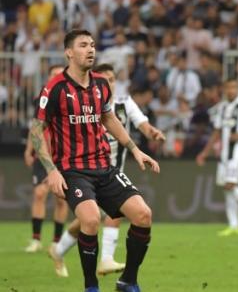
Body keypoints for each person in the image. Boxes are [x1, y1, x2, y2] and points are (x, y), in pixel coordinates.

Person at [30, 29, 160, 292]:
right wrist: (52, 170)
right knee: (90, 220)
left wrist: (134, 149)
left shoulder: (101, 84)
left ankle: (128, 281)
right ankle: (91, 287)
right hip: (72, 169)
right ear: (69, 52)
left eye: (92, 45)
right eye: (83, 45)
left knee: (143, 215)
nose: (90, 49)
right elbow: (36, 130)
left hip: (104, 166)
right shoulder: (54, 88)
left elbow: (109, 118)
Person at [49, 63, 166, 278]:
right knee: (92, 218)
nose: (109, 83)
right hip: (82, 172)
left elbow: (141, 122)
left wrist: (152, 133)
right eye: (106, 79)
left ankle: (62, 250)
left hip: (111, 172)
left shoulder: (123, 103)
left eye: (113, 79)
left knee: (99, 217)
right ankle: (101, 260)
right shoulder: (82, 103)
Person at [196, 78, 238, 236]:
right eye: (228, 88)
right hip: (225, 154)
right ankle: (234, 225)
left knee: (230, 185)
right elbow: (217, 132)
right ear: (224, 90)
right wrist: (205, 152)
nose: (231, 90)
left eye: (234, 87)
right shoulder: (223, 107)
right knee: (226, 189)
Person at [24, 65, 69, 255]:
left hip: (64, 155)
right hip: (43, 155)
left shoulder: (70, 99)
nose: (56, 77)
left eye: (59, 74)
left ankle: (57, 241)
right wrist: (29, 149)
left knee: (61, 198)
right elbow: (35, 127)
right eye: (53, 74)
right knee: (40, 193)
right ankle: (36, 239)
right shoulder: (41, 99)